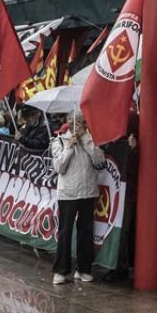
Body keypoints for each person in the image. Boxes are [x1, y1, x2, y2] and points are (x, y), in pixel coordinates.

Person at [51, 111, 105, 285]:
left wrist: (87, 140)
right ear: (68, 123)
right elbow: (59, 167)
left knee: (86, 232)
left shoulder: (91, 139)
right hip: (68, 193)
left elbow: (99, 161)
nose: (77, 126)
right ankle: (61, 270)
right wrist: (69, 148)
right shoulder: (59, 141)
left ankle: (83, 268)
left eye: (81, 123)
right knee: (65, 232)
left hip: (88, 192)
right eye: (73, 122)